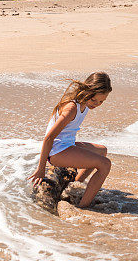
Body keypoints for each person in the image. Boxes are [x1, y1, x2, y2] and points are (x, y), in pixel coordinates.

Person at [28, 72, 112, 208]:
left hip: (67, 145)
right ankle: (83, 207)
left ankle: (74, 185)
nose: (97, 104)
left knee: (102, 151)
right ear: (87, 91)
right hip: (56, 151)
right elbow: (48, 138)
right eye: (94, 100)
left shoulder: (84, 105)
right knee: (105, 164)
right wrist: (41, 168)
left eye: (101, 101)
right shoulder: (72, 108)